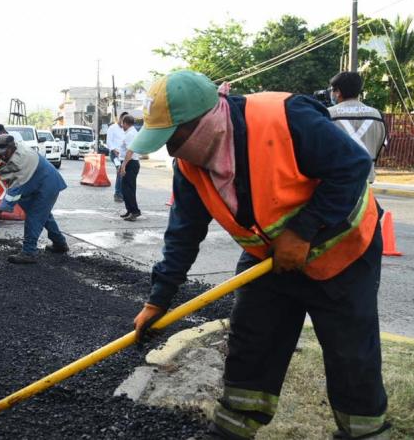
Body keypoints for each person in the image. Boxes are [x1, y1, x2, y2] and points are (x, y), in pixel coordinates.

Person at [130, 70, 388, 439]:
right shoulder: (189, 166)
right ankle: (233, 427)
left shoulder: (286, 116)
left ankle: (365, 432)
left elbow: (352, 166)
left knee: (350, 355)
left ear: (204, 121)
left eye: (174, 137)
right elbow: (183, 233)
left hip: (342, 252)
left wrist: (302, 232)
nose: (170, 149)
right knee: (252, 343)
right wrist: (159, 300)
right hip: (269, 259)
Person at [0, 134, 69, 264]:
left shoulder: (21, 160)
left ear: (11, 147)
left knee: (34, 216)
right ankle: (60, 244)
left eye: (4, 153)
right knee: (44, 217)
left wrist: (0, 209)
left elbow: (14, 190)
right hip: (39, 182)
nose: (1, 156)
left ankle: (29, 252)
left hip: (47, 185)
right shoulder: (17, 149)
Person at [328, 71, 388, 183]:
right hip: (366, 179)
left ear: (338, 92)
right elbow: (382, 147)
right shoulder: (378, 116)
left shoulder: (328, 115)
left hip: (336, 181)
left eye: (332, 90)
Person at [117, 114, 141, 221]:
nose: (121, 125)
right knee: (125, 188)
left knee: (129, 189)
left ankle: (135, 211)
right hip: (129, 163)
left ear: (125, 123)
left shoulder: (131, 134)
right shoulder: (130, 132)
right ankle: (129, 210)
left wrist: (123, 165)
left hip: (130, 163)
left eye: (122, 123)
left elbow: (130, 152)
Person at [107, 111, 129, 202]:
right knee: (120, 170)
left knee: (125, 173)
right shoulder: (112, 128)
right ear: (120, 119)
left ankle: (123, 193)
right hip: (115, 154)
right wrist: (114, 150)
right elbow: (109, 142)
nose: (123, 123)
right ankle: (117, 194)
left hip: (124, 155)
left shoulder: (127, 129)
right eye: (123, 120)